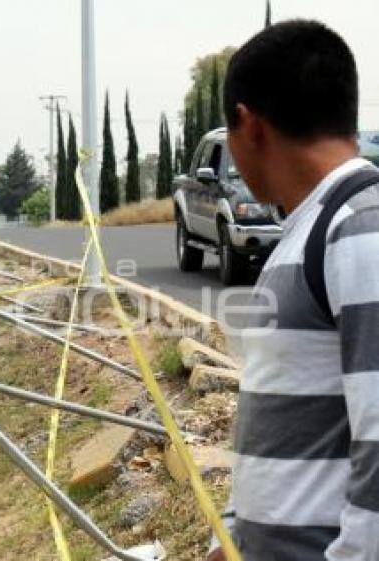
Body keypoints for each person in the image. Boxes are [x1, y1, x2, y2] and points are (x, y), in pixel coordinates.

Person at [208, 21, 379, 561]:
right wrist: (231, 537)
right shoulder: (309, 230)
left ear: (248, 125)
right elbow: (280, 420)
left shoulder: (359, 231)